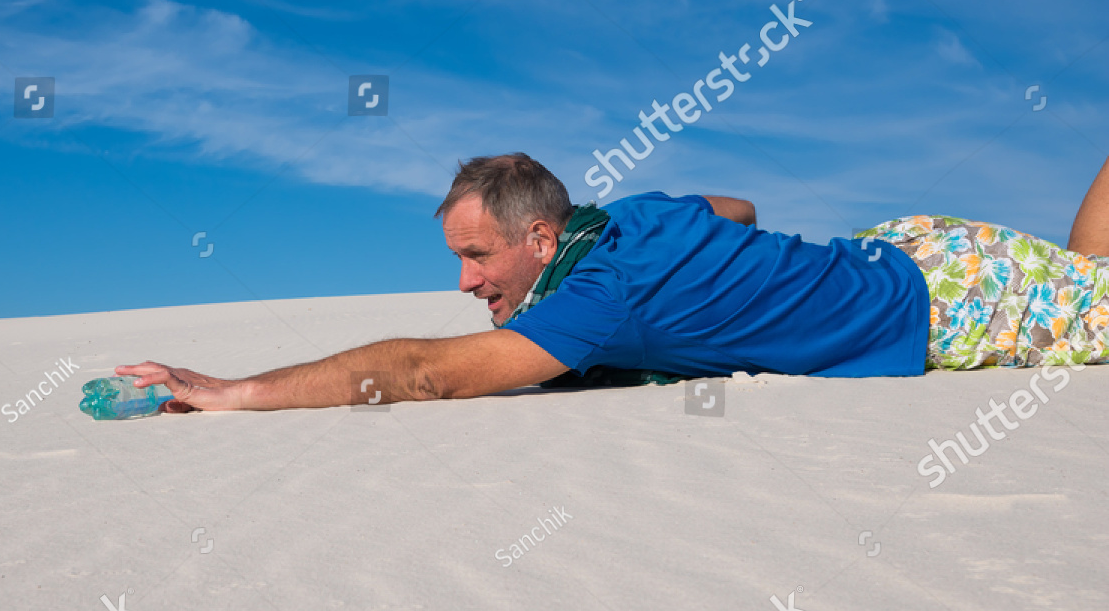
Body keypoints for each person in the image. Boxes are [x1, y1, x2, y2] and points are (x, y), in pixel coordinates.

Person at [116, 153, 1109, 412]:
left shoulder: (600, 302)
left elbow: (426, 375)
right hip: (921, 242)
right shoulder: (630, 216)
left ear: (541, 240)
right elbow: (738, 211)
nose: (463, 280)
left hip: (956, 301)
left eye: (478, 257)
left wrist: (238, 391)